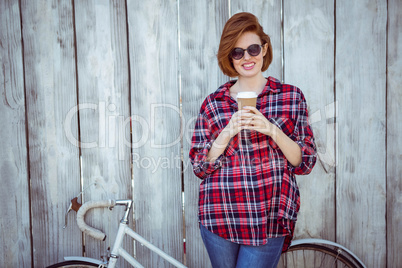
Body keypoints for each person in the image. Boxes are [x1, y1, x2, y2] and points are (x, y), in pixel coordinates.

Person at [189, 12, 317, 268]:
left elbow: (305, 162)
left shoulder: (290, 96)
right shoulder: (213, 103)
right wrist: (227, 132)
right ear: (230, 57)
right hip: (220, 216)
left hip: (269, 218)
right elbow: (200, 166)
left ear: (264, 49)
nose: (247, 57)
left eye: (253, 48)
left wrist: (272, 130)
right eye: (237, 52)